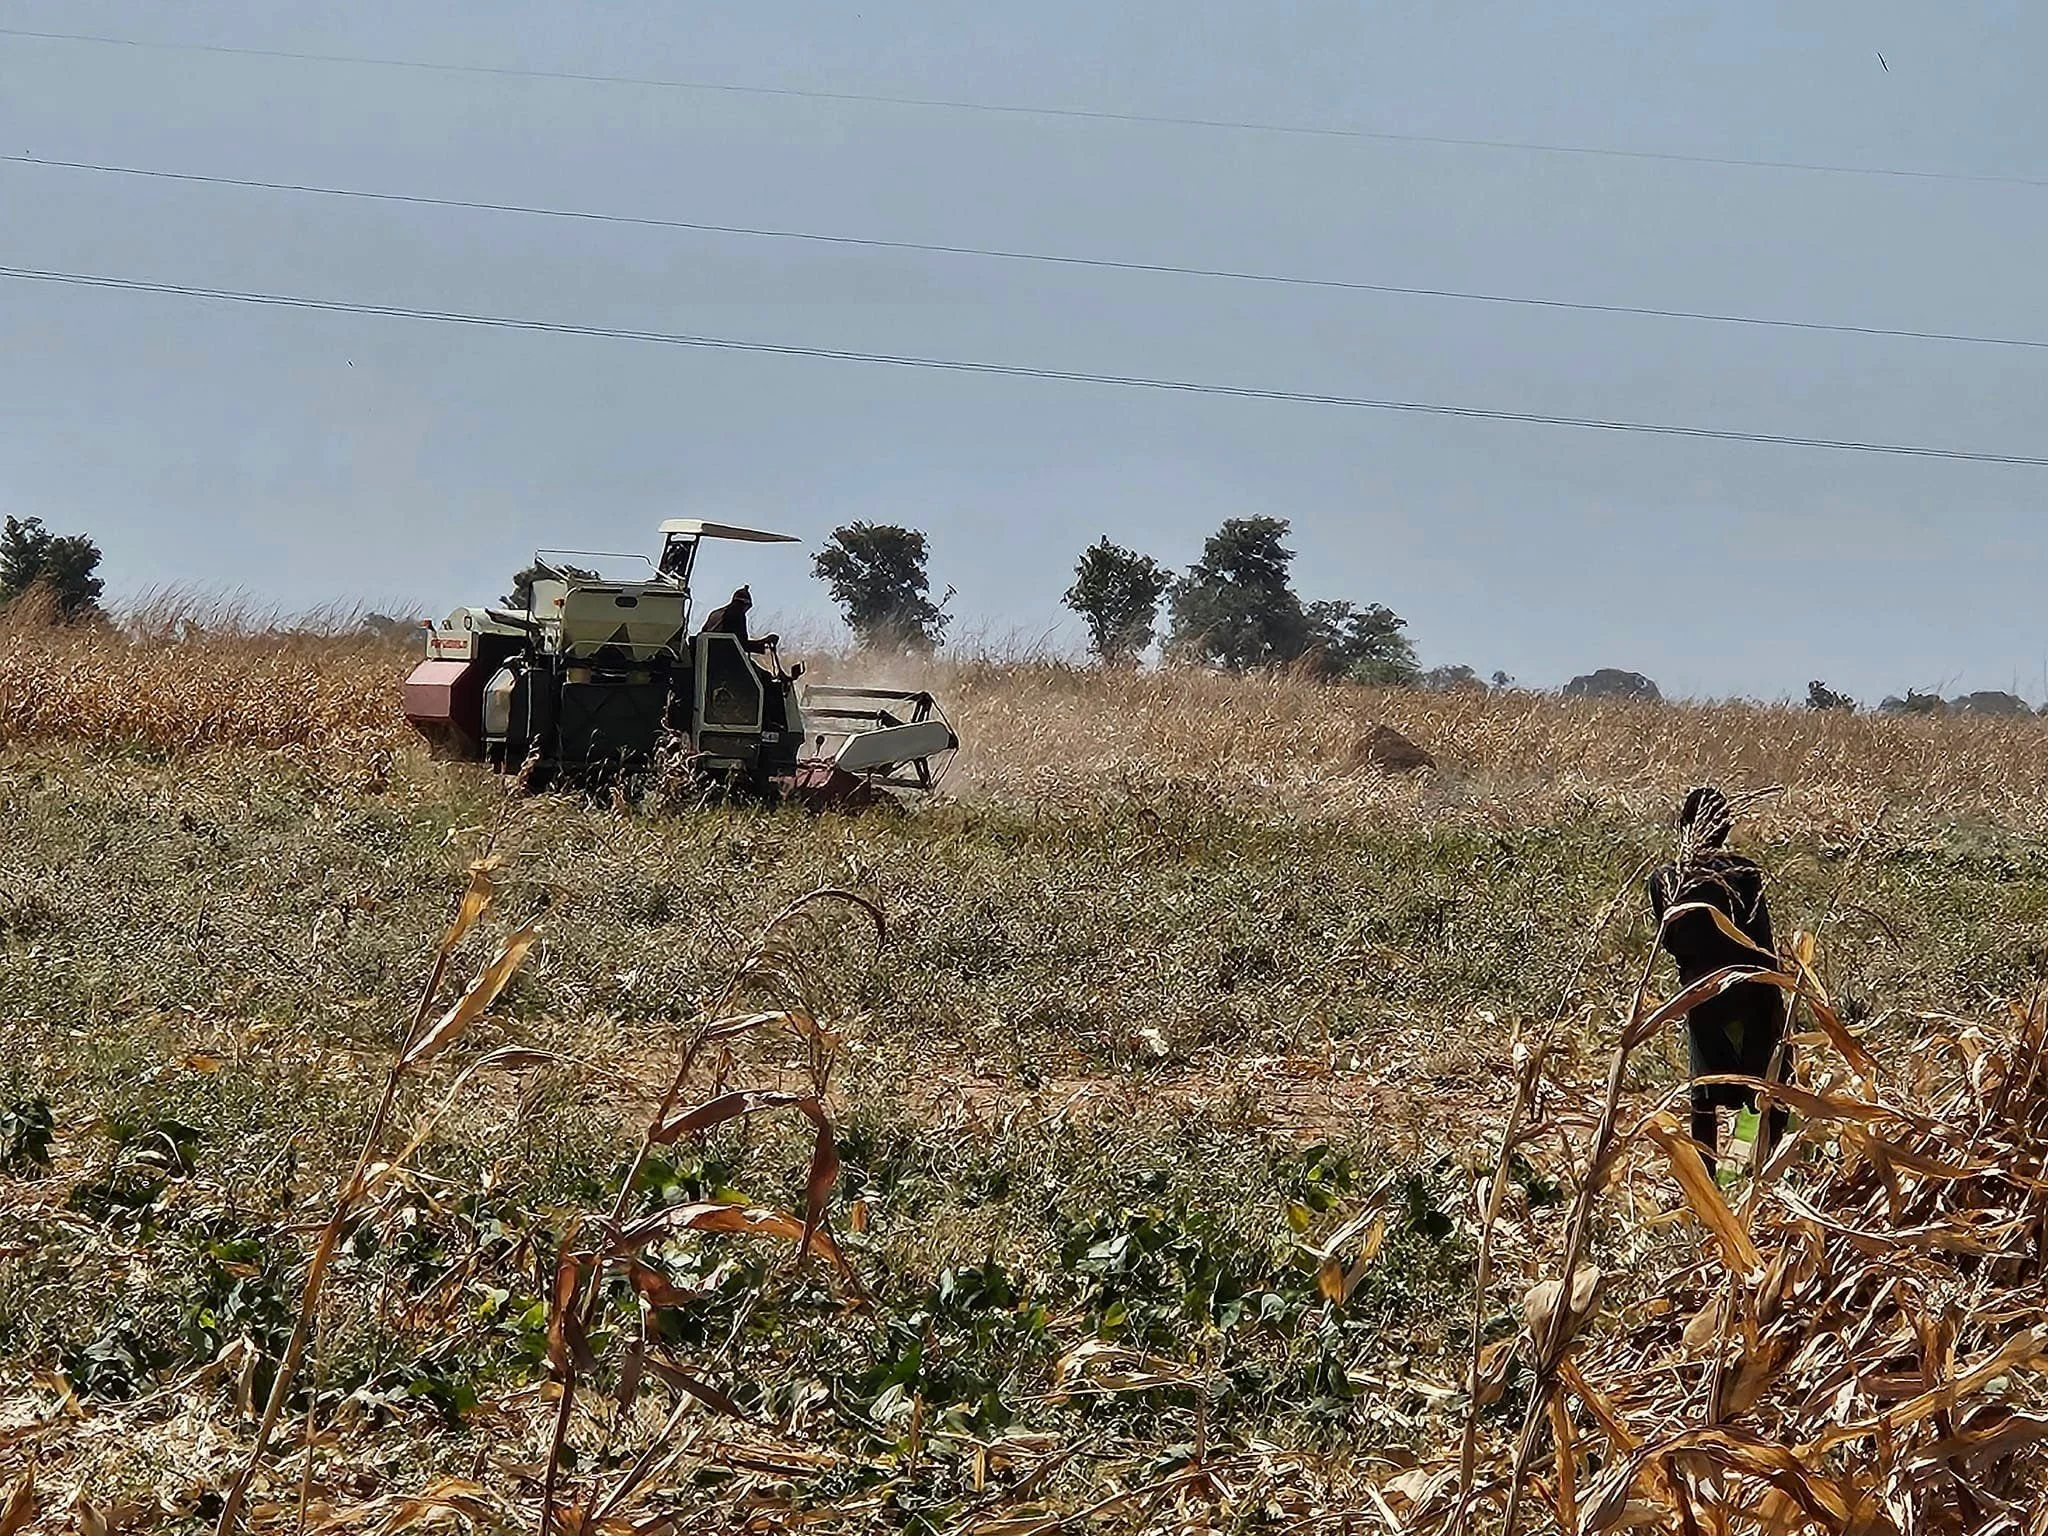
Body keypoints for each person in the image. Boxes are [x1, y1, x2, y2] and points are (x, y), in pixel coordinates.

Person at [1647, 786, 1791, 1173]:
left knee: (1704, 1092)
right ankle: (1763, 1168)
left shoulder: (1664, 879)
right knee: (1770, 1083)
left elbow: (1669, 941)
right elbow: (1760, 938)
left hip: (1700, 993)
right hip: (1752, 989)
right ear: (1725, 828)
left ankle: (1708, 1179)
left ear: (1683, 827)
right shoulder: (1745, 874)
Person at [697, 586, 778, 656]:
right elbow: (741, 645)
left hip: (708, 658)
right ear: (745, 604)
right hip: (725, 661)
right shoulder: (738, 615)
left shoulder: (714, 614)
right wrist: (764, 643)